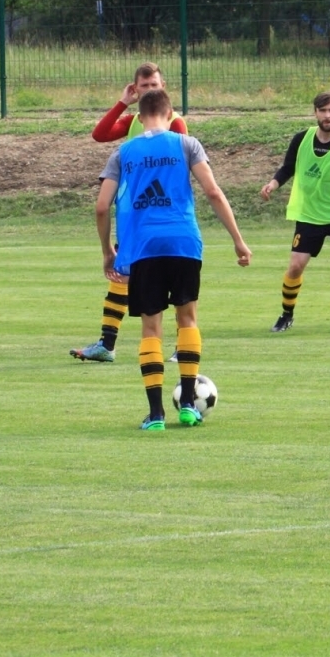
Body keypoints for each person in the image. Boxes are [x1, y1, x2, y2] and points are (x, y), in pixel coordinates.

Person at [95, 88, 251, 431]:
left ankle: (155, 415)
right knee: (188, 320)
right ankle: (189, 407)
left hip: (143, 247)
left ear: (140, 117)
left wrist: (108, 251)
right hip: (183, 242)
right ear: (170, 114)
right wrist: (238, 240)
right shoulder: (187, 144)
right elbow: (213, 192)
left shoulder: (123, 152)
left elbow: (102, 206)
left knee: (151, 328)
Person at [72, 62, 188, 361]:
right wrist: (122, 102)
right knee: (119, 277)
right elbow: (100, 134)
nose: (150, 91)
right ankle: (107, 344)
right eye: (144, 86)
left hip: (163, 214)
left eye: (154, 85)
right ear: (135, 89)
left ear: (164, 88)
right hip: (135, 214)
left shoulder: (176, 123)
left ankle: (181, 346)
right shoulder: (132, 120)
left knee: (176, 284)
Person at [260, 92, 330, 333]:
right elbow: (288, 168)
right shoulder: (301, 139)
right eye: (323, 110)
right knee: (295, 266)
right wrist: (272, 184)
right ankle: (286, 315)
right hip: (309, 215)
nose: (328, 115)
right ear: (315, 113)